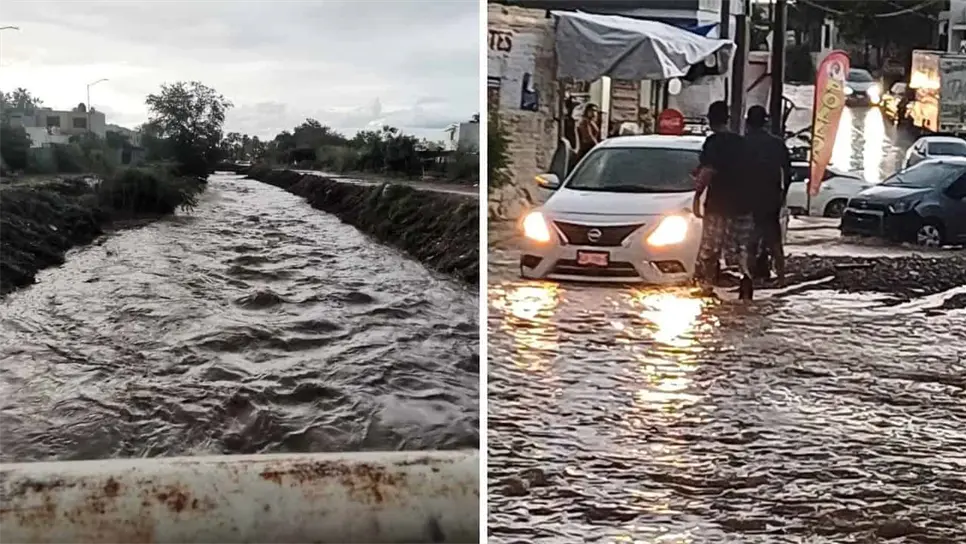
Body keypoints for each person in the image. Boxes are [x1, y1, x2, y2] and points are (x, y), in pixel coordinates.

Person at [692, 101, 756, 300]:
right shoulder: (742, 143)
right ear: (727, 119)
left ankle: (707, 285)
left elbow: (708, 171)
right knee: (741, 246)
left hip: (718, 204)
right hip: (744, 204)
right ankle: (746, 280)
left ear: (710, 120)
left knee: (711, 247)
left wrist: (697, 196)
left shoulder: (713, 143)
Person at [744, 105, 792, 286]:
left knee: (750, 241)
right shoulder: (777, 144)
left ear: (748, 123)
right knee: (775, 240)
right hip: (772, 198)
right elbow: (788, 173)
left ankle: (749, 278)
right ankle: (781, 277)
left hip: (748, 199)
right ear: (766, 122)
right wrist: (783, 195)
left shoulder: (743, 143)